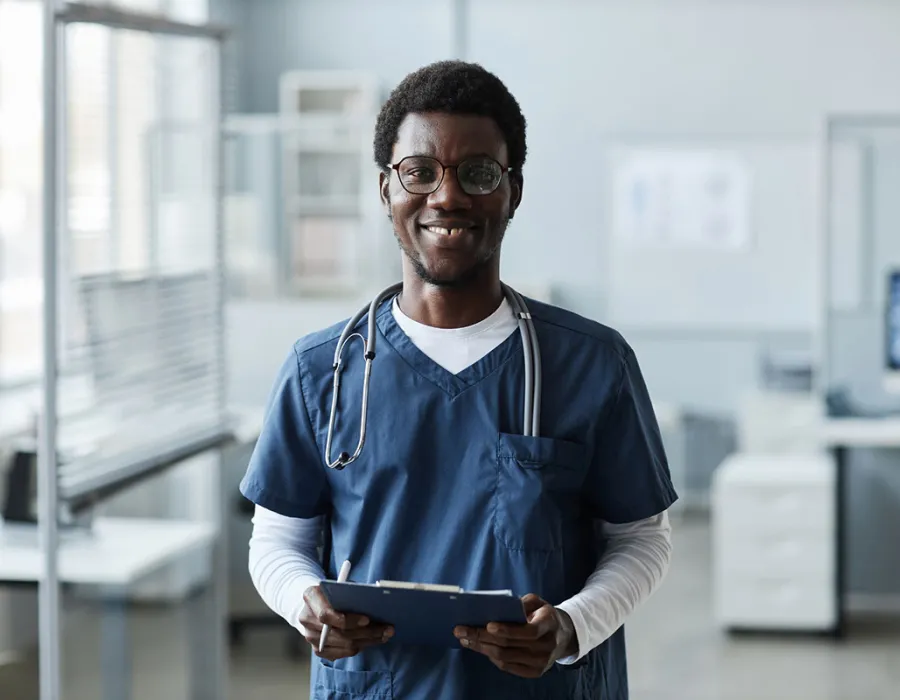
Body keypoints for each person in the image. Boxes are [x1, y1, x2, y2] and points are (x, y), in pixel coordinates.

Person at [240, 60, 677, 700]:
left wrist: (570, 627)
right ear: (386, 189)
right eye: (420, 172)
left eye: (478, 173)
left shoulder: (592, 363)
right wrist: (300, 598)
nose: (447, 197)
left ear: (512, 191)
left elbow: (640, 539)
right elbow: (278, 537)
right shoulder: (321, 368)